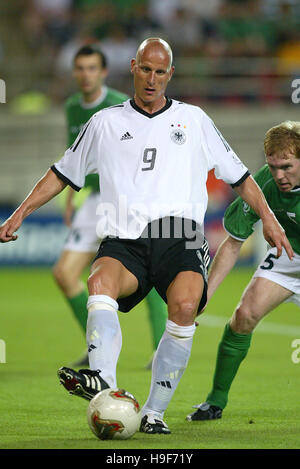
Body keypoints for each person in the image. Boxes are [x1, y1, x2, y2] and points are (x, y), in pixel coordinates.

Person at [0, 39, 293, 435]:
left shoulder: (194, 120)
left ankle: (154, 412)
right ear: (133, 67)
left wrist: (270, 220)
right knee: (98, 282)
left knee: (186, 306)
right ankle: (103, 386)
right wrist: (20, 212)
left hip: (181, 237)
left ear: (170, 74)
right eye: (145, 70)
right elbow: (60, 172)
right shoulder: (104, 123)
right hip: (124, 239)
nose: (152, 79)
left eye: (161, 72)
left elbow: (240, 177)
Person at [53, 44, 167, 367]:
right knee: (64, 274)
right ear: (74, 72)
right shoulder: (73, 107)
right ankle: (96, 346)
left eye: (92, 68)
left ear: (103, 72)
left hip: (124, 199)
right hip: (92, 201)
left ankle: (160, 348)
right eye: (80, 68)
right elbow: (72, 157)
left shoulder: (121, 105)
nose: (85, 74)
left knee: (150, 271)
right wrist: (71, 198)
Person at [186, 120, 300, 422]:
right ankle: (215, 401)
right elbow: (233, 243)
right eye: (273, 166)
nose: (279, 175)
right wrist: (204, 295)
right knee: (244, 315)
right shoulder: (263, 183)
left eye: (287, 167)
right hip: (289, 259)